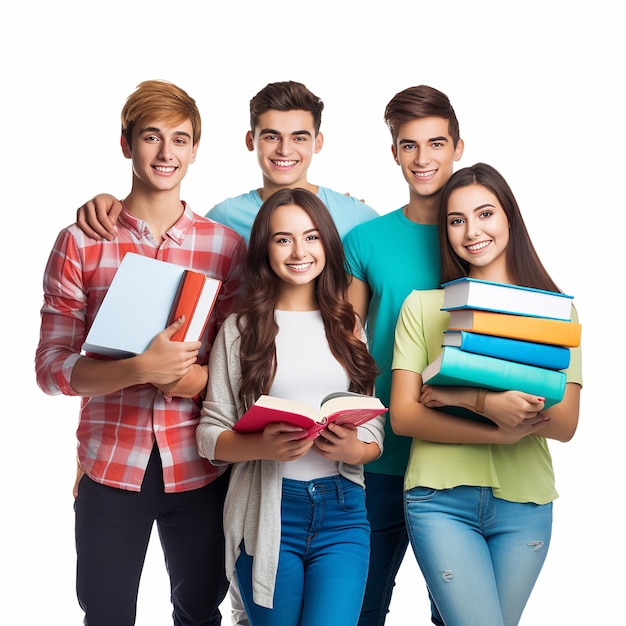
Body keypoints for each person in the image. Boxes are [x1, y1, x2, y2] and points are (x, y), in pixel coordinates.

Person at [35, 79, 246, 626]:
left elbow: (241, 370)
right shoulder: (81, 242)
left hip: (200, 466)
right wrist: (139, 370)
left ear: (196, 149)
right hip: (110, 466)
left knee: (200, 610)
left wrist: (189, 381)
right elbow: (51, 368)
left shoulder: (226, 248)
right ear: (126, 144)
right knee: (106, 614)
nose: (166, 152)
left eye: (180, 139)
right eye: (151, 137)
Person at [390, 162, 582, 626]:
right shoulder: (422, 306)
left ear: (508, 218)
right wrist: (492, 414)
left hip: (526, 504)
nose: (471, 231)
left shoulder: (556, 312)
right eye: (456, 220)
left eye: (485, 214)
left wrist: (457, 394)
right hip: (439, 499)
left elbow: (565, 423)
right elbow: (403, 416)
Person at [196, 187, 385, 626]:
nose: (300, 251)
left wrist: (354, 450)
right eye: (283, 239)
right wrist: (262, 445)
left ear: (327, 245)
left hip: (343, 512)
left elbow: (373, 427)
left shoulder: (349, 326)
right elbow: (209, 436)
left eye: (312, 237)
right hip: (268, 510)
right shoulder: (239, 330)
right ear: (265, 248)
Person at [343, 85, 463, 625]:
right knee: (362, 608)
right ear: (394, 151)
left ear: (457, 147)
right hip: (383, 453)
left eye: (436, 143)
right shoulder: (366, 240)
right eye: (409, 145)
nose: (423, 158)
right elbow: (343, 343)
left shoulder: (479, 235)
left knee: (456, 614)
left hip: (460, 451)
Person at [74, 80, 378, 243]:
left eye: (299, 138)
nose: (285, 150)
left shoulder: (357, 217)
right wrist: (110, 203)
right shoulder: (224, 219)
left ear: (318, 143)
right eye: (271, 137)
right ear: (250, 141)